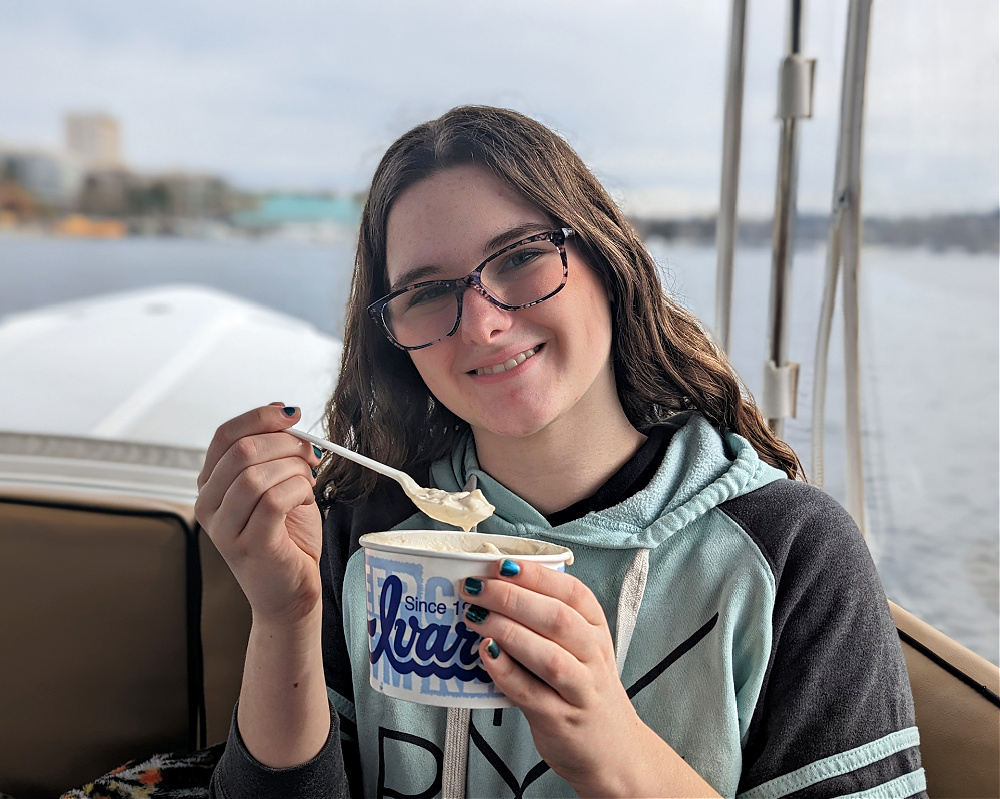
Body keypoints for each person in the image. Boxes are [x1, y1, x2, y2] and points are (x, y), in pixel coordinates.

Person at [195, 106, 926, 798]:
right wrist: (284, 618)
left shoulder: (792, 552)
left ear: (606, 259)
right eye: (426, 292)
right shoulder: (363, 529)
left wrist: (616, 753)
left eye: (518, 258)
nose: (481, 324)